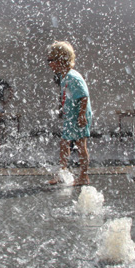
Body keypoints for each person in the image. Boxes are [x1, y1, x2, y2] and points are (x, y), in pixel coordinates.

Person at [46, 41, 92, 186]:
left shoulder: (73, 77)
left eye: (51, 60)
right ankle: (62, 174)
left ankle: (84, 176)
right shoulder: (64, 77)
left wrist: (82, 115)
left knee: (80, 145)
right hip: (71, 116)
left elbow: (84, 96)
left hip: (79, 116)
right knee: (64, 144)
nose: (49, 64)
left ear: (61, 60)